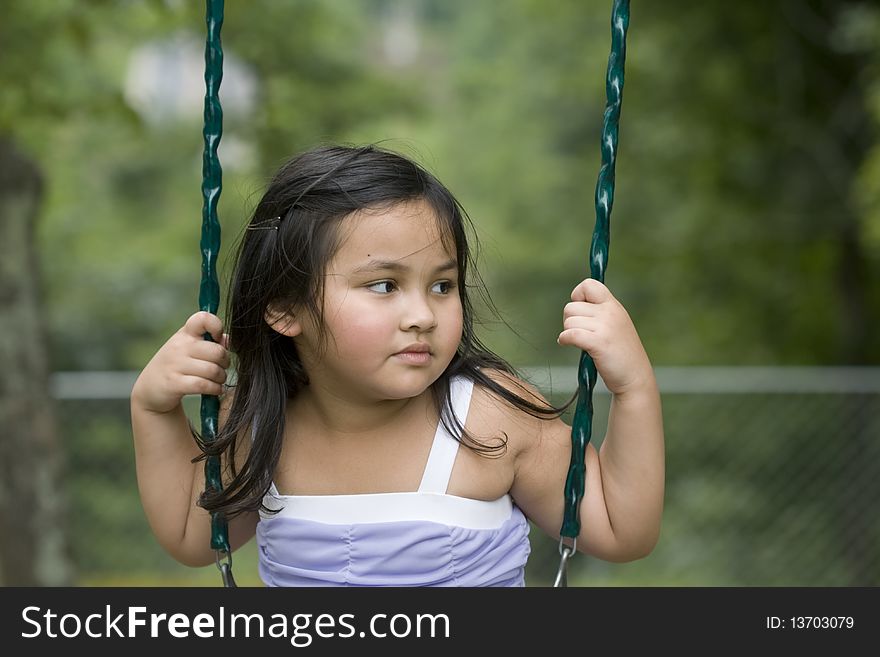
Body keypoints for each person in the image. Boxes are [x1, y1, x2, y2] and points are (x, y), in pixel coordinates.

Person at [131, 144, 664, 587]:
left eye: (442, 285)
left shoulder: (490, 414)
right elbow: (191, 536)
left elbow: (619, 529)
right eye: (383, 286)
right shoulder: (261, 423)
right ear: (285, 308)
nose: (422, 315)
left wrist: (634, 388)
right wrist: (152, 409)